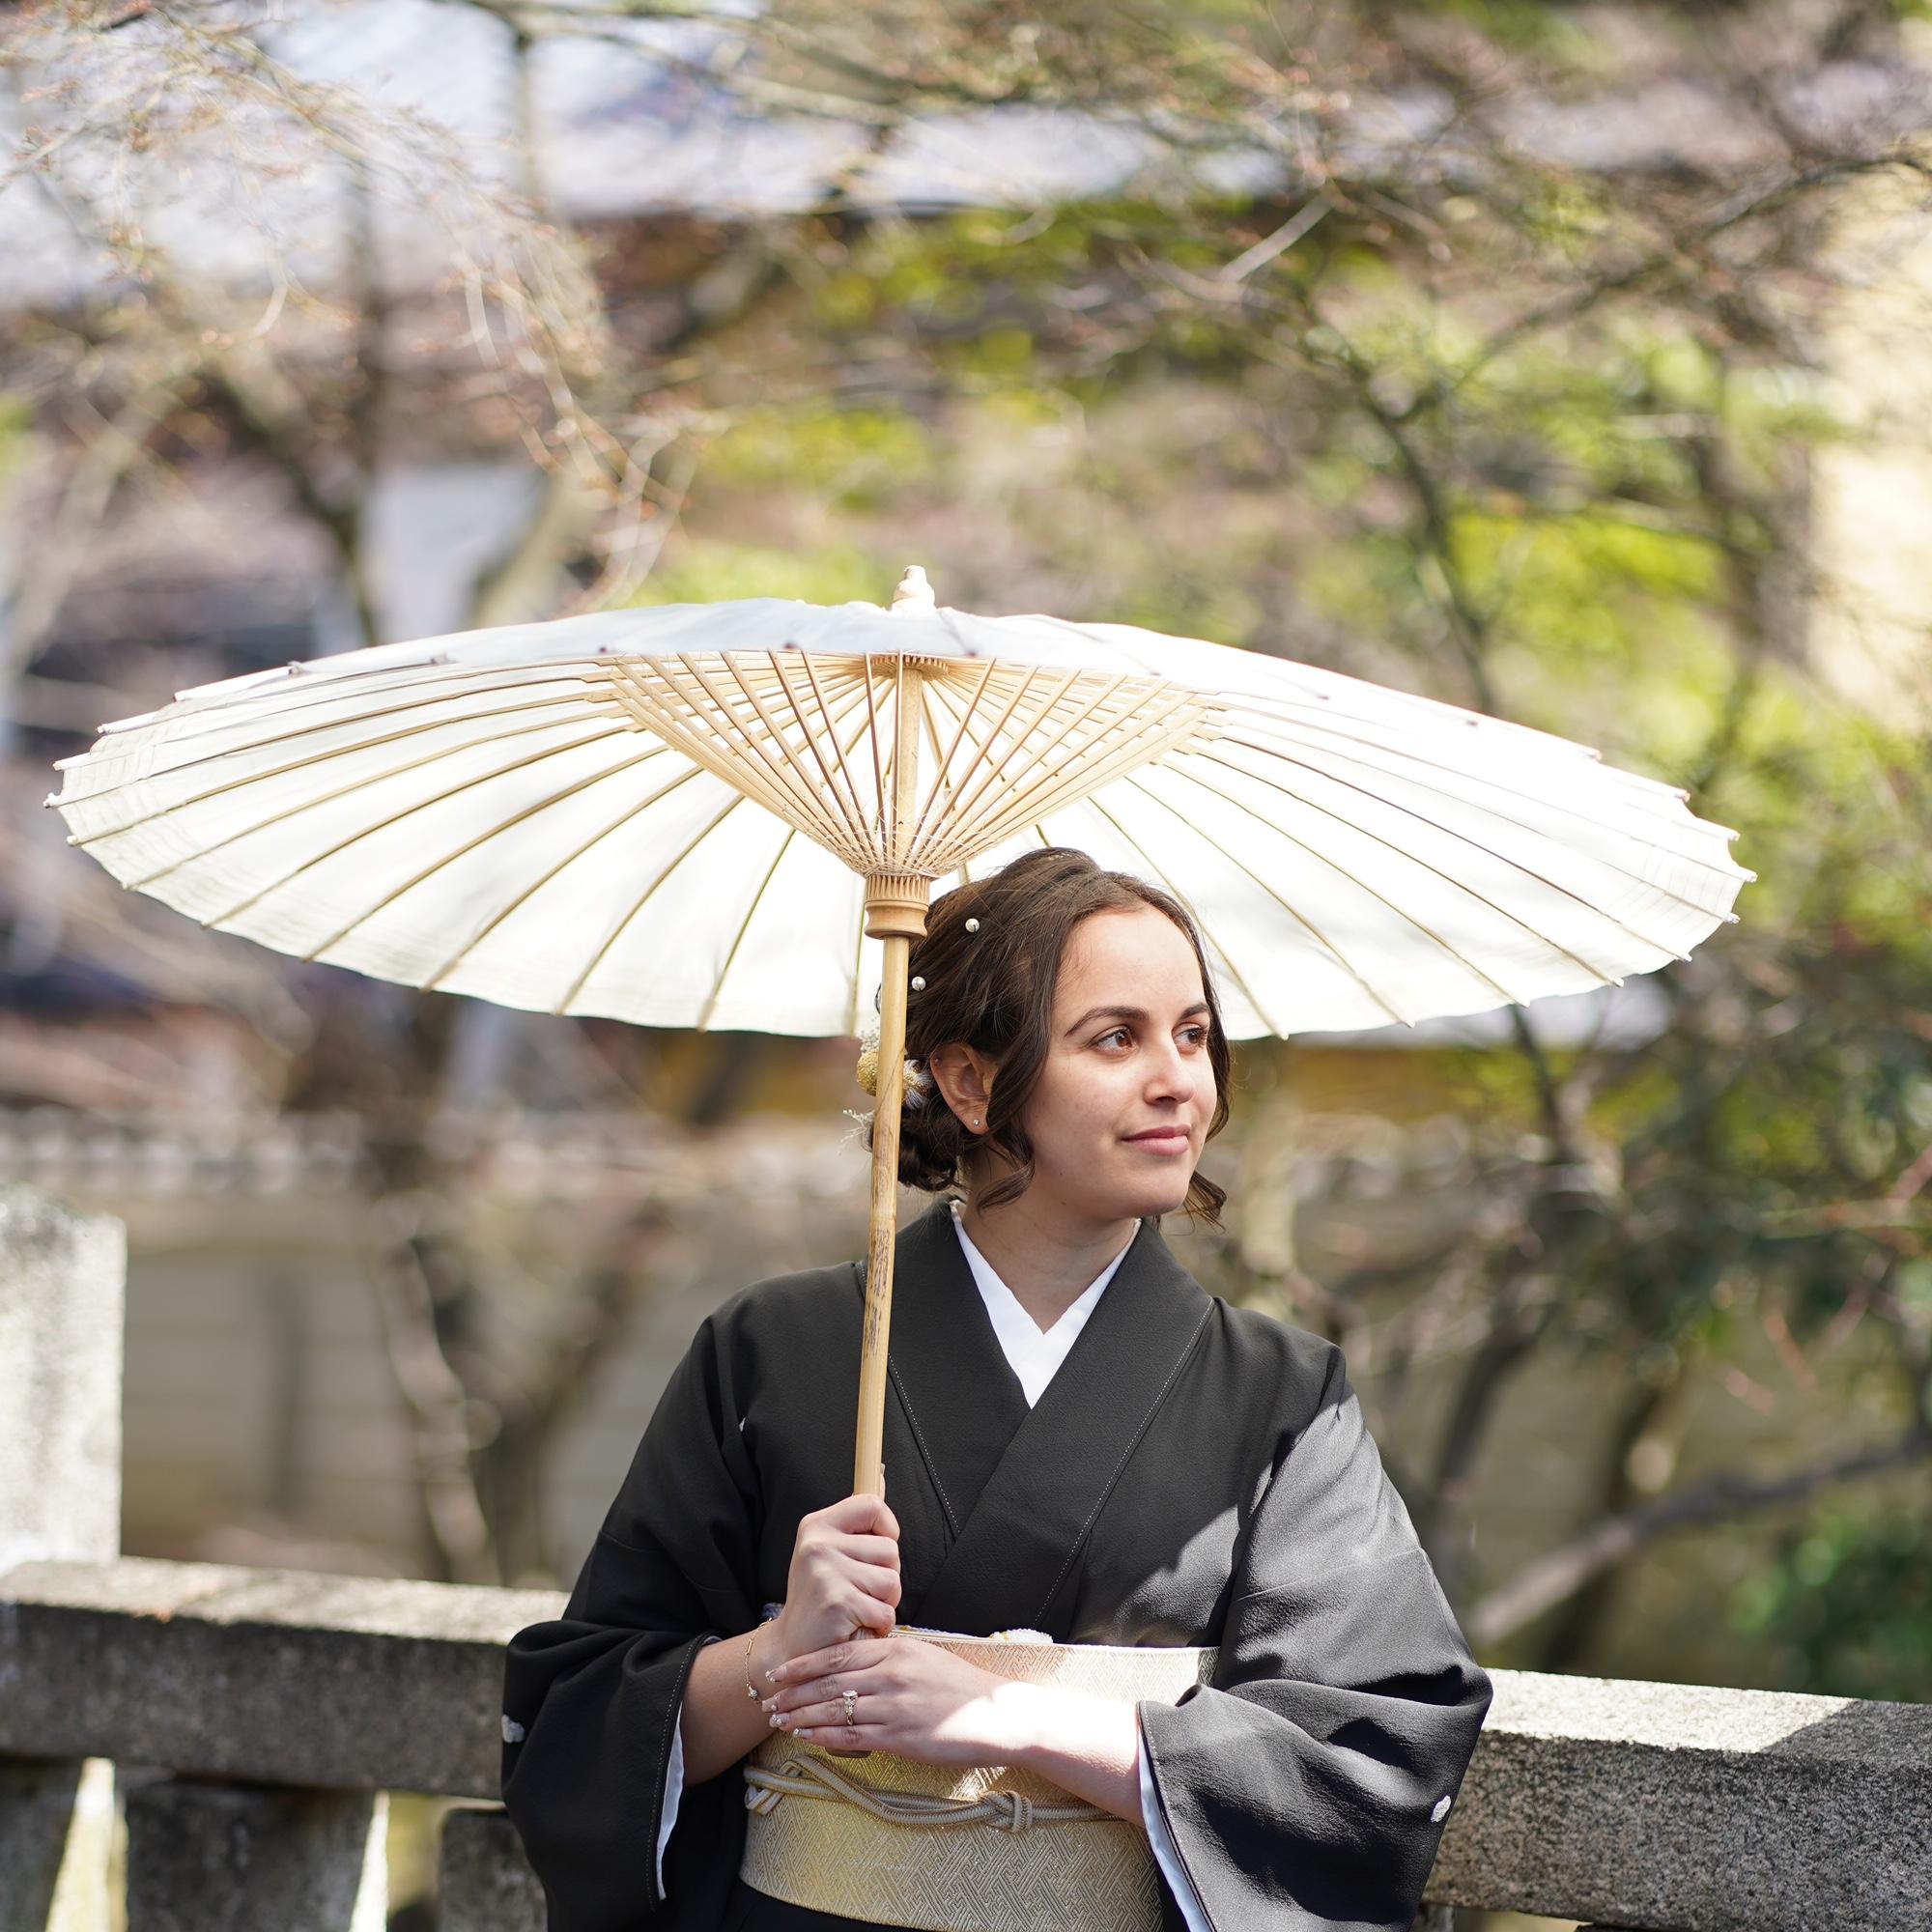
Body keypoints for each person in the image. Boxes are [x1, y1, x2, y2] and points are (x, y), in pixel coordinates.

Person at [500, 846, 1493, 1932]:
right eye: (1115, 1037)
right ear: (970, 1082)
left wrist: (1012, 1719)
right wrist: (777, 1655)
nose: (1179, 1079)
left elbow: (1374, 1753)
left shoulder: (1283, 1395)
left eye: (1192, 1033)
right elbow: (577, 1721)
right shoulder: (771, 1350)